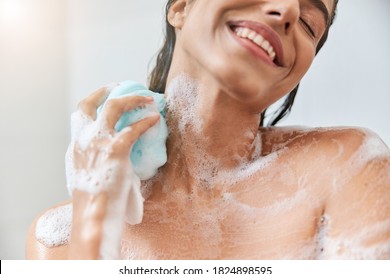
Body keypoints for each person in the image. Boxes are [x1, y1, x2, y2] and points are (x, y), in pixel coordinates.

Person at [26, 0, 390, 259]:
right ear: (181, 6)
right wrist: (94, 214)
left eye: (310, 23)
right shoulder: (57, 240)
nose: (289, 10)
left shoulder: (349, 168)